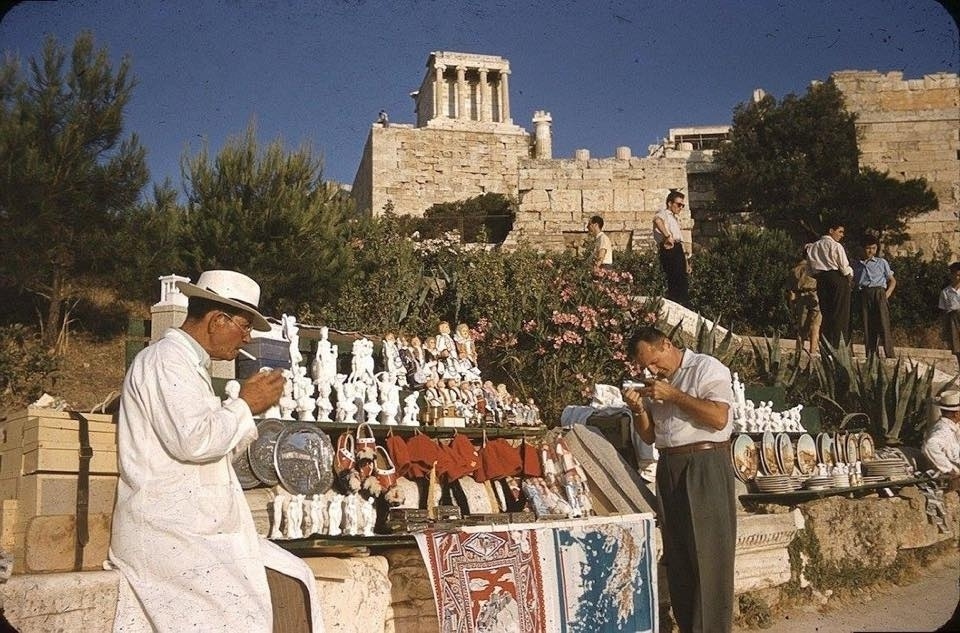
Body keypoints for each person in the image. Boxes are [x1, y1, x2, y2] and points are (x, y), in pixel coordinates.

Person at [109, 270, 324, 632]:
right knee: (234, 616)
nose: (247, 338)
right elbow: (195, 441)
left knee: (296, 575)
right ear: (216, 320)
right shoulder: (165, 360)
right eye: (243, 326)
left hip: (200, 527)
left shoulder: (191, 367)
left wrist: (245, 411)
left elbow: (211, 450)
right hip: (169, 530)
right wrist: (245, 406)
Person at [622, 327, 736, 633]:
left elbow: (718, 418)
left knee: (709, 555)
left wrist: (674, 395)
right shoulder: (659, 382)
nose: (651, 369)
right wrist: (638, 409)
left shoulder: (706, 368)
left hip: (705, 463)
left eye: (654, 361)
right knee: (680, 556)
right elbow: (649, 434)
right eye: (645, 366)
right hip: (670, 465)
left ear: (667, 344)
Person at [805, 220, 853, 348]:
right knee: (840, 315)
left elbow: (809, 271)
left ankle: (826, 346)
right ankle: (839, 347)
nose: (842, 235)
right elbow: (844, 267)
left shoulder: (812, 247)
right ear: (831, 231)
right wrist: (849, 279)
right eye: (840, 231)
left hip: (821, 280)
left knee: (826, 314)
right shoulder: (836, 246)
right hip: (837, 279)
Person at [854, 236, 896, 358]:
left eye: (873, 248)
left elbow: (892, 280)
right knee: (868, 326)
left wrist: (886, 294)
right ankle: (871, 356)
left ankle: (890, 355)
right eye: (868, 248)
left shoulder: (881, 262)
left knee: (884, 324)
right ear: (863, 249)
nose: (871, 251)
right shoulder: (857, 265)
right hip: (864, 293)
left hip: (879, 292)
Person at [653, 190, 691, 306]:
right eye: (678, 204)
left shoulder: (674, 218)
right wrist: (667, 235)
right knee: (674, 278)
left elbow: (681, 242)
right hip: (670, 247)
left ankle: (682, 304)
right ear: (670, 203)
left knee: (682, 279)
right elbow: (657, 220)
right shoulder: (664, 213)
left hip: (678, 249)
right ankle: (676, 302)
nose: (681, 207)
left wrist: (687, 263)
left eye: (682, 205)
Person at [787, 250, 822, 356]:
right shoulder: (817, 268)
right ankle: (813, 351)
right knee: (815, 325)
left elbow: (791, 291)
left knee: (802, 326)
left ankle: (799, 350)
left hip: (801, 297)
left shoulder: (795, 270)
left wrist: (792, 305)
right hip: (815, 296)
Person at [923, 391, 960, 476]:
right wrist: (949, 469)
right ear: (956, 414)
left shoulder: (953, 426)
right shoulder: (943, 430)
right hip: (951, 475)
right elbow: (930, 445)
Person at [939, 262, 960, 371]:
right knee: (956, 348)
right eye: (955, 275)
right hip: (953, 320)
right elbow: (943, 311)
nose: (957, 277)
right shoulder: (946, 292)